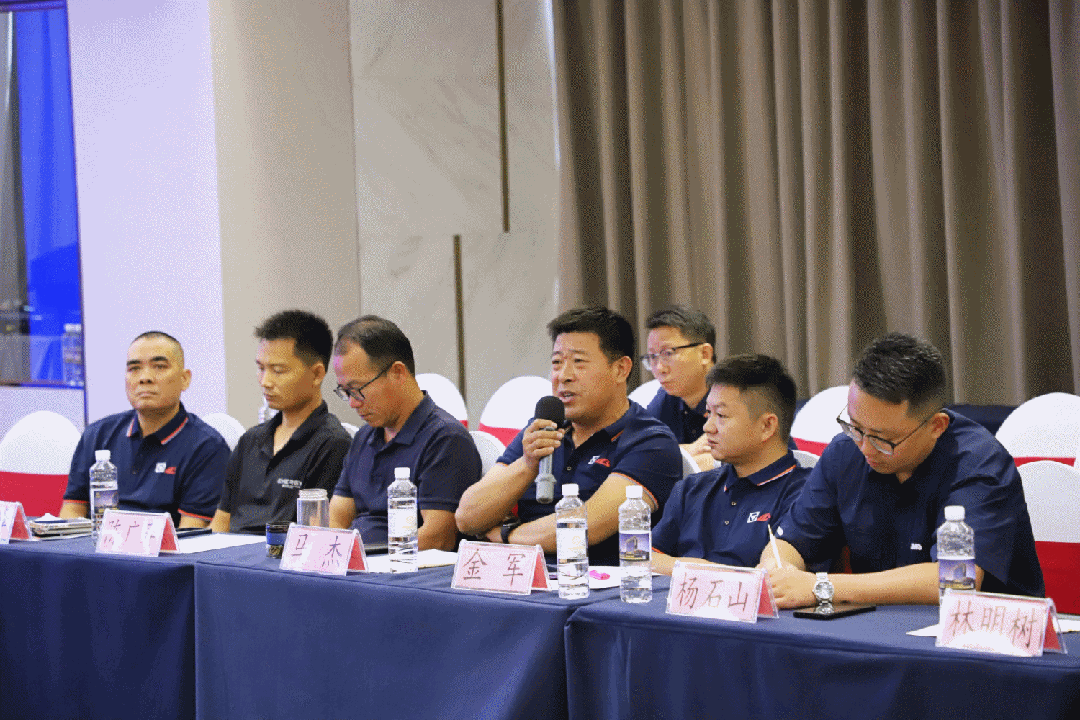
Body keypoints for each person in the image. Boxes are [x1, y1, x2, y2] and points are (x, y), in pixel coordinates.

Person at [761, 333, 1044, 606]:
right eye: (855, 427)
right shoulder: (845, 451)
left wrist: (821, 587)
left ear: (936, 426)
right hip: (876, 624)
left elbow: (954, 578)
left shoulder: (979, 464)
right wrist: (777, 571)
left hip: (980, 629)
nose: (866, 448)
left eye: (883, 439)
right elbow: (791, 543)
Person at [455, 307, 682, 566]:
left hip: (600, 581)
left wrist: (508, 535)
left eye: (579, 362)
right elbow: (467, 518)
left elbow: (586, 526)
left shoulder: (651, 442)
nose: (563, 376)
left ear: (621, 369)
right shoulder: (544, 429)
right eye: (556, 363)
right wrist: (528, 464)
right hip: (521, 574)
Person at [328, 315, 481, 550]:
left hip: (401, 564)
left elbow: (438, 538)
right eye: (345, 392)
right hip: (358, 560)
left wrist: (362, 556)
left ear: (398, 373)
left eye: (357, 390)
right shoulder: (364, 437)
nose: (353, 403)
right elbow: (336, 518)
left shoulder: (446, 440)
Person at [651, 354, 810, 575]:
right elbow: (642, 560)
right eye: (708, 413)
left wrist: (690, 569)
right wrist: (705, 569)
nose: (708, 428)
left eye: (721, 415)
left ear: (766, 426)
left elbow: (775, 579)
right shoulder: (692, 488)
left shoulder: (806, 494)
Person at [60, 331, 230, 528]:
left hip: (166, 546)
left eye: (159, 367)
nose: (145, 378)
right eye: (134, 368)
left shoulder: (207, 447)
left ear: (185, 379)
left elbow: (192, 532)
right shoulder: (98, 435)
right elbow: (72, 511)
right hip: (100, 545)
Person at [210, 310, 352, 534]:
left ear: (317, 374)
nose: (265, 381)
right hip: (233, 551)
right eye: (261, 368)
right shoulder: (250, 440)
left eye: (278, 371)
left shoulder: (333, 444)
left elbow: (316, 534)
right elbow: (221, 521)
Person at [641, 306, 716, 472]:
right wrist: (690, 450)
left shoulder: (736, 396)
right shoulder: (664, 400)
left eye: (668, 353)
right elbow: (638, 454)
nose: (659, 368)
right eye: (652, 357)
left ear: (704, 354)